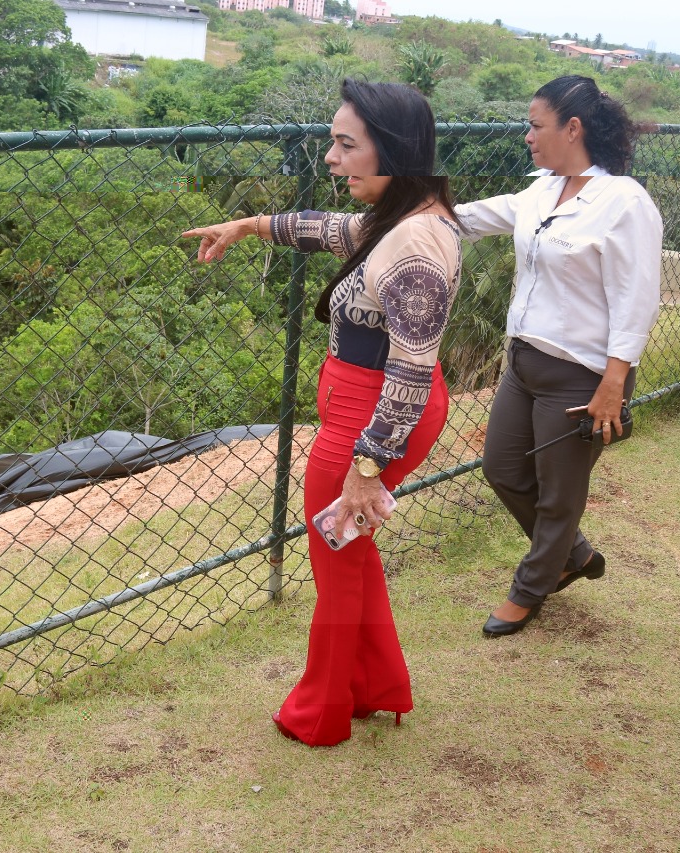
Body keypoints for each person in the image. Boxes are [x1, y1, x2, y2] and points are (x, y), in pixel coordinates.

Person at [182, 79, 462, 746]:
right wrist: (248, 226)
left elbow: (411, 371)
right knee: (352, 554)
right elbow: (327, 230)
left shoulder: (417, 243)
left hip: (370, 424)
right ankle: (375, 686)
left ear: (390, 149)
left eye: (345, 145)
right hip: (364, 416)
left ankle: (323, 710)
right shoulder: (400, 220)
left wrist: (367, 466)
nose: (331, 160)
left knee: (335, 561)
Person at [453, 75, 663, 637]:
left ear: (573, 129)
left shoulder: (623, 203)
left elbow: (636, 299)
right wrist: (411, 208)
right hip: (524, 364)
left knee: (558, 491)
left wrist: (613, 384)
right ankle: (574, 555)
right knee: (502, 469)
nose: (527, 136)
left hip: (583, 376)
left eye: (535, 125)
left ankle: (531, 588)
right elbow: (468, 219)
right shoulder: (541, 191)